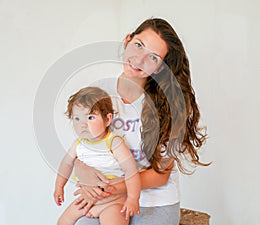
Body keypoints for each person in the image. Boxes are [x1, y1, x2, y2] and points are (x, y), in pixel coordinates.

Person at [73, 18, 209, 225]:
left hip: (154, 202)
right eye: (138, 45)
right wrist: (83, 173)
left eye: (153, 57)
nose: (139, 59)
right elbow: (83, 147)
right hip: (108, 199)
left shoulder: (168, 105)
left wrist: (109, 188)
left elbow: (160, 175)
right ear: (127, 41)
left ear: (160, 68)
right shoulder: (98, 94)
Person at [54, 86, 141, 225]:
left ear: (107, 119)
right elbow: (66, 164)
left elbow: (131, 170)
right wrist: (59, 187)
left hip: (113, 202)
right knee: (63, 221)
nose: (83, 124)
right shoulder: (78, 144)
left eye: (90, 117)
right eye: (77, 118)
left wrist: (132, 198)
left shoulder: (113, 142)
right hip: (87, 199)